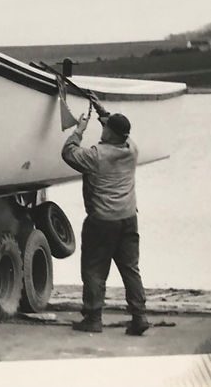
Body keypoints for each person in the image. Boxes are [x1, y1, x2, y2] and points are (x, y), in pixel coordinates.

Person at [61, 106, 150, 336]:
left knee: (94, 270)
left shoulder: (96, 156)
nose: (104, 129)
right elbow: (120, 131)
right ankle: (139, 316)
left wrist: (79, 130)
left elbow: (68, 152)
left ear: (111, 133)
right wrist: (102, 110)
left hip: (102, 222)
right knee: (130, 269)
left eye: (106, 127)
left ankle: (93, 318)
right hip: (128, 219)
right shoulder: (132, 149)